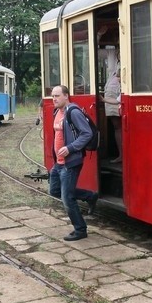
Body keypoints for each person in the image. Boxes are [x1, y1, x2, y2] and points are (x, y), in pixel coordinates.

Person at [48, 85, 99, 241]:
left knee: (67, 198)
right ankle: (89, 196)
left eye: (57, 96)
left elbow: (87, 133)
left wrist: (70, 148)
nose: (54, 99)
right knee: (54, 190)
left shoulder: (73, 112)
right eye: (52, 96)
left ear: (66, 96)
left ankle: (80, 229)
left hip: (71, 162)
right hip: (59, 162)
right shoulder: (57, 112)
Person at [100, 71, 122, 163]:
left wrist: (103, 99)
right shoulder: (113, 73)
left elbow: (118, 101)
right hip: (112, 104)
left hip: (115, 104)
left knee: (119, 128)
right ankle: (121, 155)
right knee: (118, 128)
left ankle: (122, 155)